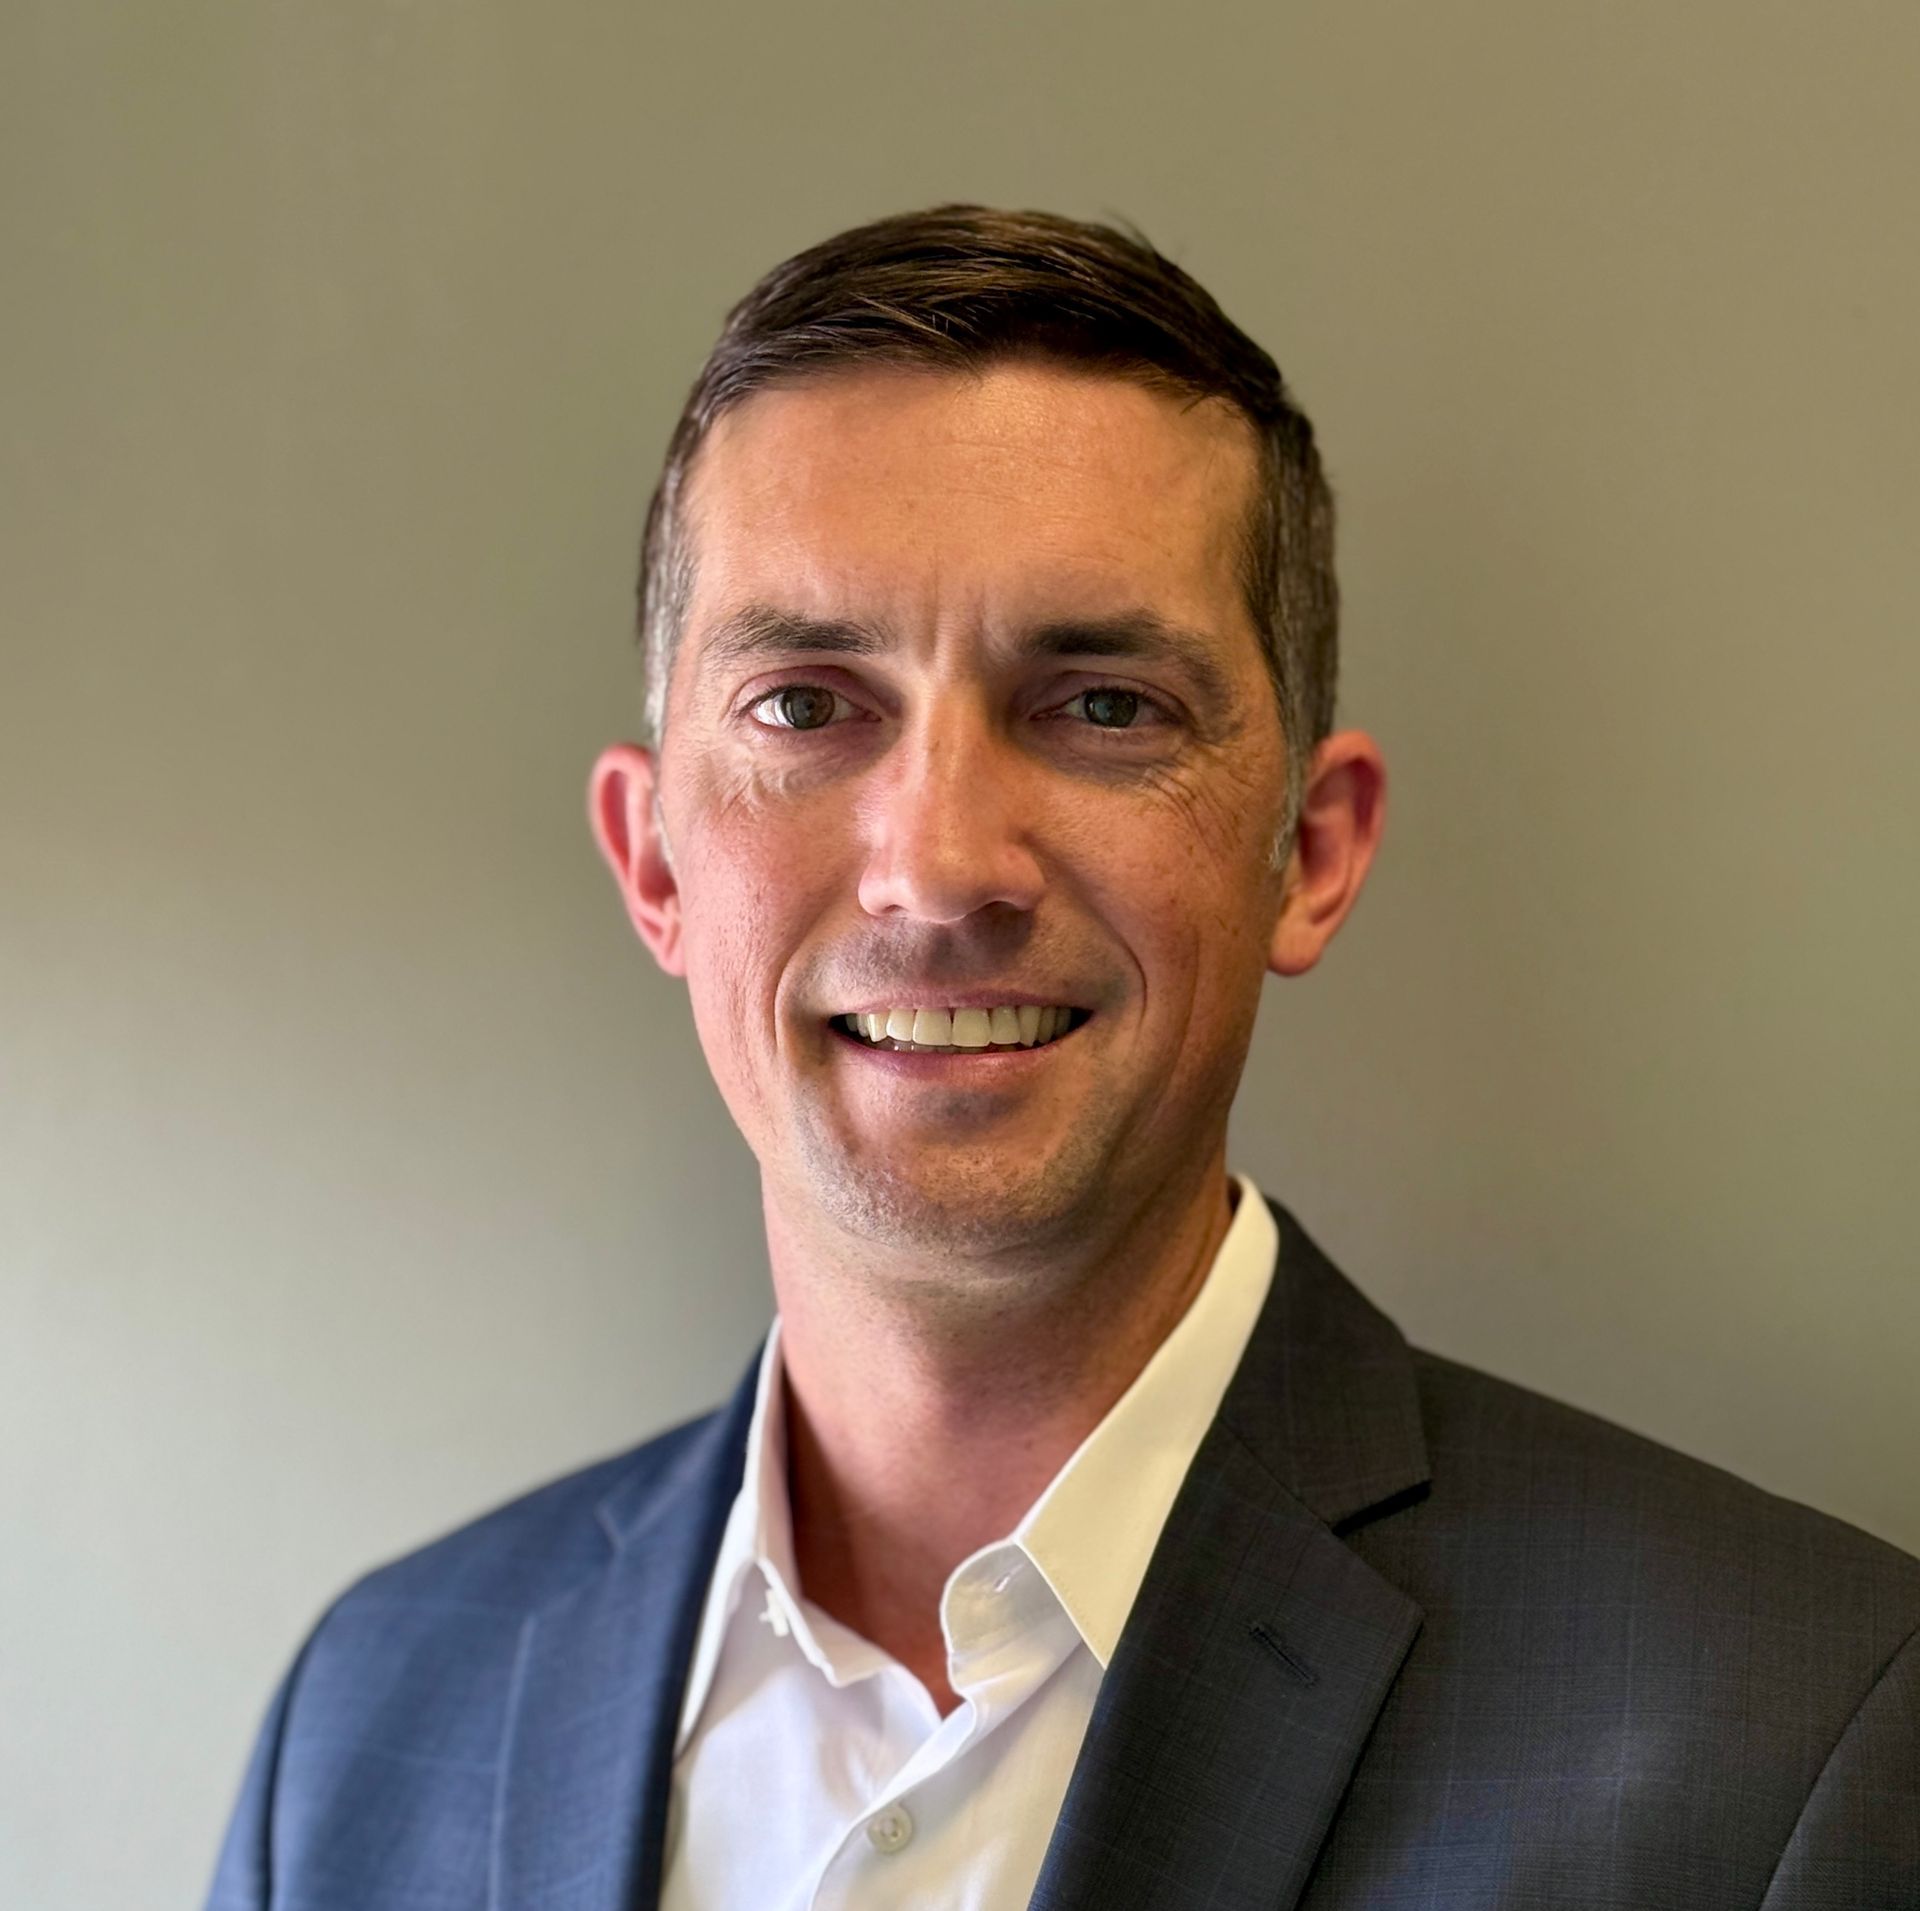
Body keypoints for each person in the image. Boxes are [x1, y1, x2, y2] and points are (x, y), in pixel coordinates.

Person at [206, 204, 1920, 1911]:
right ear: (656, 863)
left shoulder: (1783, 1740)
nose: (940, 868)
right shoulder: (372, 1722)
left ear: (1309, 854)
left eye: (1102, 707)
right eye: (807, 704)